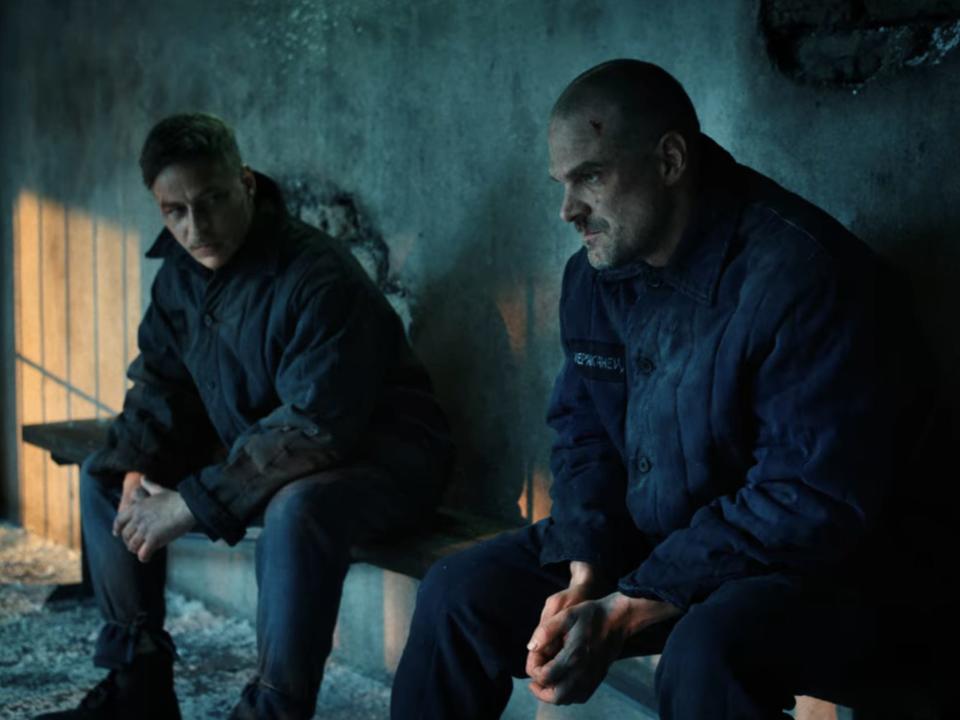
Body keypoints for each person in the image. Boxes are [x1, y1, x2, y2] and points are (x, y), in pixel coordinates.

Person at [390, 59, 938, 719]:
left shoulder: (802, 275)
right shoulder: (595, 276)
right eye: (562, 184)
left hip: (820, 573)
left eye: (589, 176)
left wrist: (629, 605)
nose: (568, 210)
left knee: (708, 651)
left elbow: (806, 500)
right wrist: (588, 566)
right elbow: (583, 431)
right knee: (457, 592)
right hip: (657, 549)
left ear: (671, 159)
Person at [38, 113, 452, 720]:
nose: (195, 226)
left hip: (381, 461)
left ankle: (273, 711)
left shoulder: (315, 273)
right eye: (174, 210)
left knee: (298, 508)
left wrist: (187, 503)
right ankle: (138, 683)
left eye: (211, 201)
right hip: (269, 452)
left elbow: (315, 426)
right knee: (108, 473)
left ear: (248, 184)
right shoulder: (180, 275)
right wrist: (139, 466)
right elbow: (162, 381)